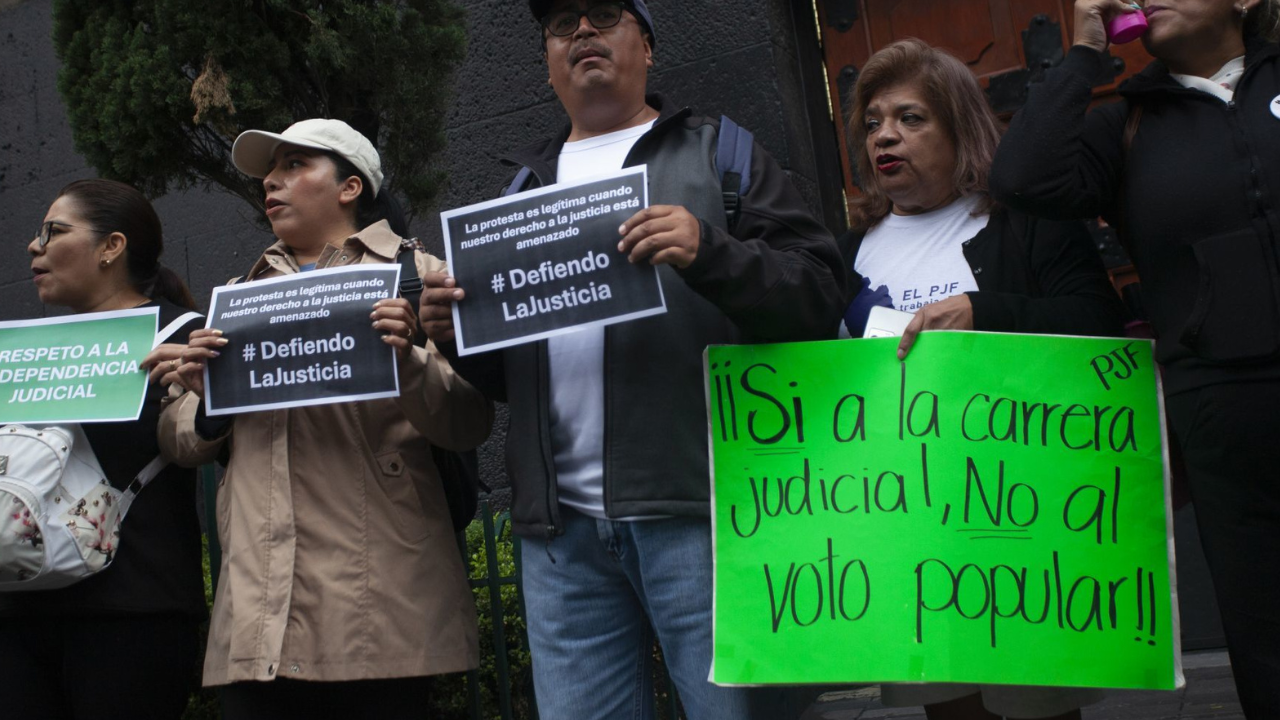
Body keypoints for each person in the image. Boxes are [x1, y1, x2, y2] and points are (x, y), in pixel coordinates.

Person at [419, 1, 846, 717]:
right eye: (562, 25)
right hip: (561, 538)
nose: (581, 31)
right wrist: (455, 336)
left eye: (603, 15)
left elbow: (817, 293)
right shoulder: (521, 194)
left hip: (703, 515)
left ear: (646, 46)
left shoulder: (721, 153)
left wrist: (711, 251)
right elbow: (508, 383)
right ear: (549, 64)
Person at [988, 1, 1280, 716]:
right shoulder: (1122, 122)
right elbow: (1021, 179)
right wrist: (1085, 56)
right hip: (1223, 411)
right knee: (1267, 628)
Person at [158, 119, 493, 720]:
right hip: (257, 618)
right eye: (269, 172)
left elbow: (469, 419)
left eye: (294, 166)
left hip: (382, 612)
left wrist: (408, 361)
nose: (272, 182)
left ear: (350, 187)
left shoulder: (425, 276)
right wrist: (207, 403)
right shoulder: (238, 295)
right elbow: (180, 440)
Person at [840, 39, 1126, 720]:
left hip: (1019, 531)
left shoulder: (1023, 224)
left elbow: (1099, 326)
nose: (887, 135)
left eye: (911, 118)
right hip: (913, 534)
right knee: (949, 706)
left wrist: (985, 313)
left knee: (1036, 708)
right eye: (874, 121)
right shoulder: (850, 249)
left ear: (958, 125)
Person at [0, 178, 205, 720]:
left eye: (54, 231)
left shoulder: (190, 337)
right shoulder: (28, 351)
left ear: (111, 247)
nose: (33, 246)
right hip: (21, 609)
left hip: (135, 616)